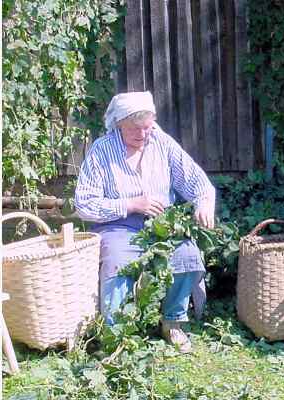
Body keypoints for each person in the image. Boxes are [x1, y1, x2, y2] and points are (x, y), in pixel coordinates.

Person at [75, 91, 215, 353]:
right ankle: (115, 332)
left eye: (147, 128)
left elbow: (195, 179)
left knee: (187, 254)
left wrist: (204, 202)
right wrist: (129, 205)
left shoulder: (162, 142)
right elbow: (84, 203)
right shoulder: (101, 150)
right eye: (134, 130)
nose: (142, 135)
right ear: (119, 125)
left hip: (161, 223)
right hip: (118, 226)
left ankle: (172, 322)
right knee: (118, 261)